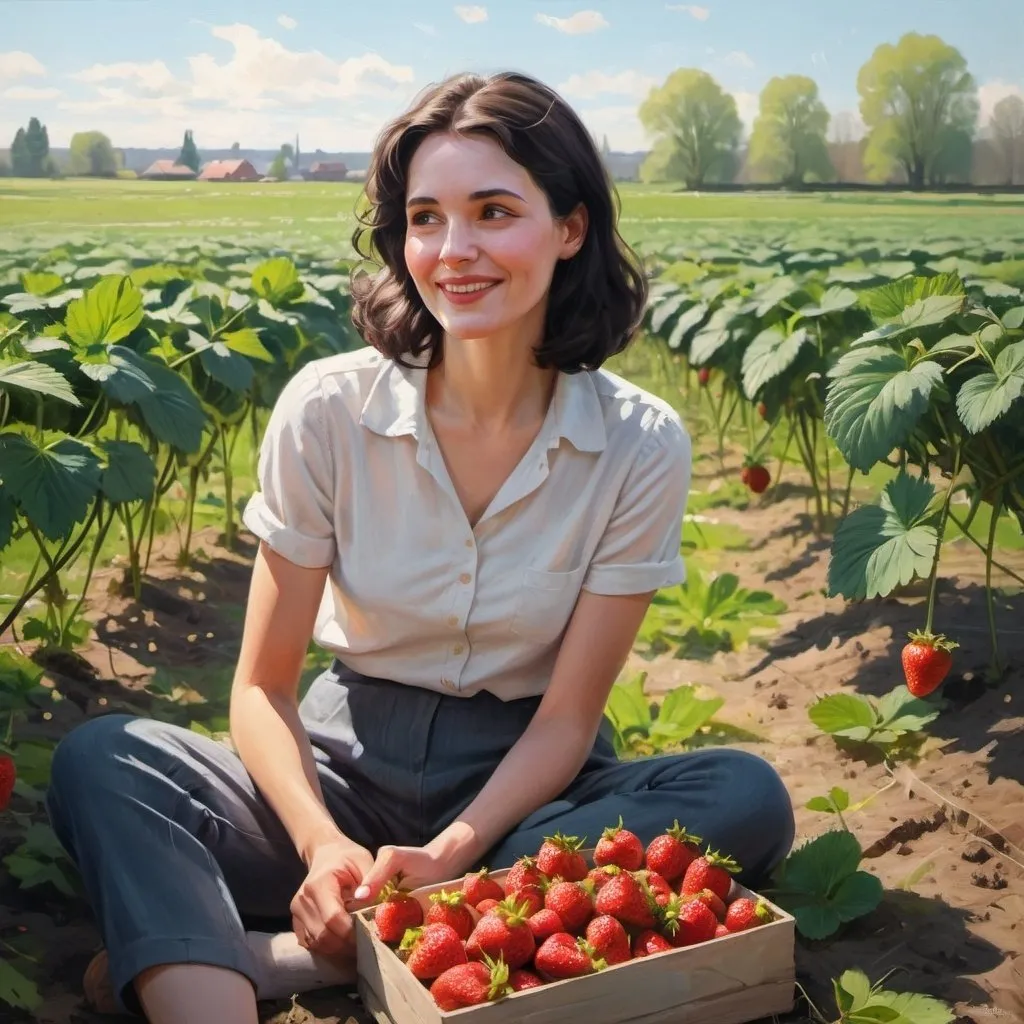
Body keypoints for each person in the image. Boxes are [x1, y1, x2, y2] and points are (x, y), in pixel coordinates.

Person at [45, 71, 795, 1024]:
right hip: (339, 766)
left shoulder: (638, 443)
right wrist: (320, 845)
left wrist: (451, 853)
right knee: (106, 759)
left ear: (570, 229)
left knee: (744, 797)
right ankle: (270, 976)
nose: (456, 250)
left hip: (521, 793)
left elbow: (568, 722)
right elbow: (262, 689)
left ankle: (282, 959)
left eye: (494, 211)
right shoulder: (328, 408)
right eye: (426, 218)